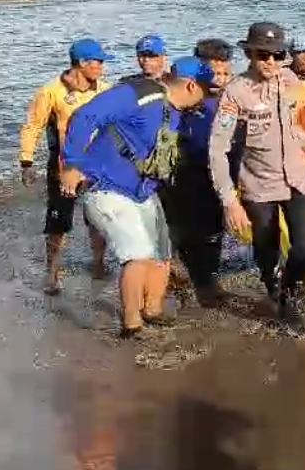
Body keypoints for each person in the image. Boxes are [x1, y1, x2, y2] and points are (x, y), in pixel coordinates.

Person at [60, 56, 217, 339]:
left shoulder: (181, 112)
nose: (206, 99)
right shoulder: (136, 93)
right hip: (107, 188)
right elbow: (85, 116)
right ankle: (131, 325)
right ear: (192, 86)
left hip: (144, 190)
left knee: (161, 254)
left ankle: (153, 310)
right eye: (207, 91)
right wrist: (71, 164)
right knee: (137, 255)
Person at [208, 22, 305, 333]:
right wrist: (230, 201)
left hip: (298, 178)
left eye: (277, 54)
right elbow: (217, 150)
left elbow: (285, 124)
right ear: (250, 54)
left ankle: (291, 298)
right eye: (263, 55)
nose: (270, 61)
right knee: (267, 247)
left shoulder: (287, 80)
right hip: (258, 184)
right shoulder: (235, 92)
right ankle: (275, 290)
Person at [18, 38, 112, 295]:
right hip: (63, 166)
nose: (102, 67)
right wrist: (26, 162)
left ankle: (99, 264)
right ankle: (52, 273)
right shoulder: (51, 92)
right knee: (58, 221)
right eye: (98, 62)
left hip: (96, 166)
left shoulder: (104, 90)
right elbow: (33, 126)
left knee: (98, 218)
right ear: (82, 63)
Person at [162, 38, 235, 307]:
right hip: (184, 172)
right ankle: (185, 279)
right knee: (183, 230)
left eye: (225, 72)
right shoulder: (186, 98)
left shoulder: (232, 98)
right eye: (214, 72)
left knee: (215, 229)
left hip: (219, 174)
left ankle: (207, 282)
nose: (220, 78)